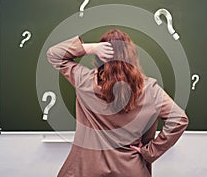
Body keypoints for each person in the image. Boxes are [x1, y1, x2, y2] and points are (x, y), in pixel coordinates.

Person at [46, 29, 188, 177]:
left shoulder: (84, 81)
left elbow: (54, 54)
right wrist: (149, 151)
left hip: (86, 169)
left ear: (100, 57)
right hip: (130, 169)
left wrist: (91, 48)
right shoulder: (151, 90)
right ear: (132, 56)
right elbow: (179, 119)